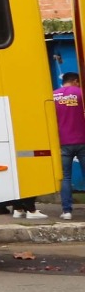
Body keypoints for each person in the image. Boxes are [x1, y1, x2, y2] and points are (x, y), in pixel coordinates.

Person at [55, 71, 85, 221]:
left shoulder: (54, 95)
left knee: (65, 177)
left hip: (63, 142)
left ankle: (66, 211)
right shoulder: (81, 93)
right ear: (74, 81)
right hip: (82, 140)